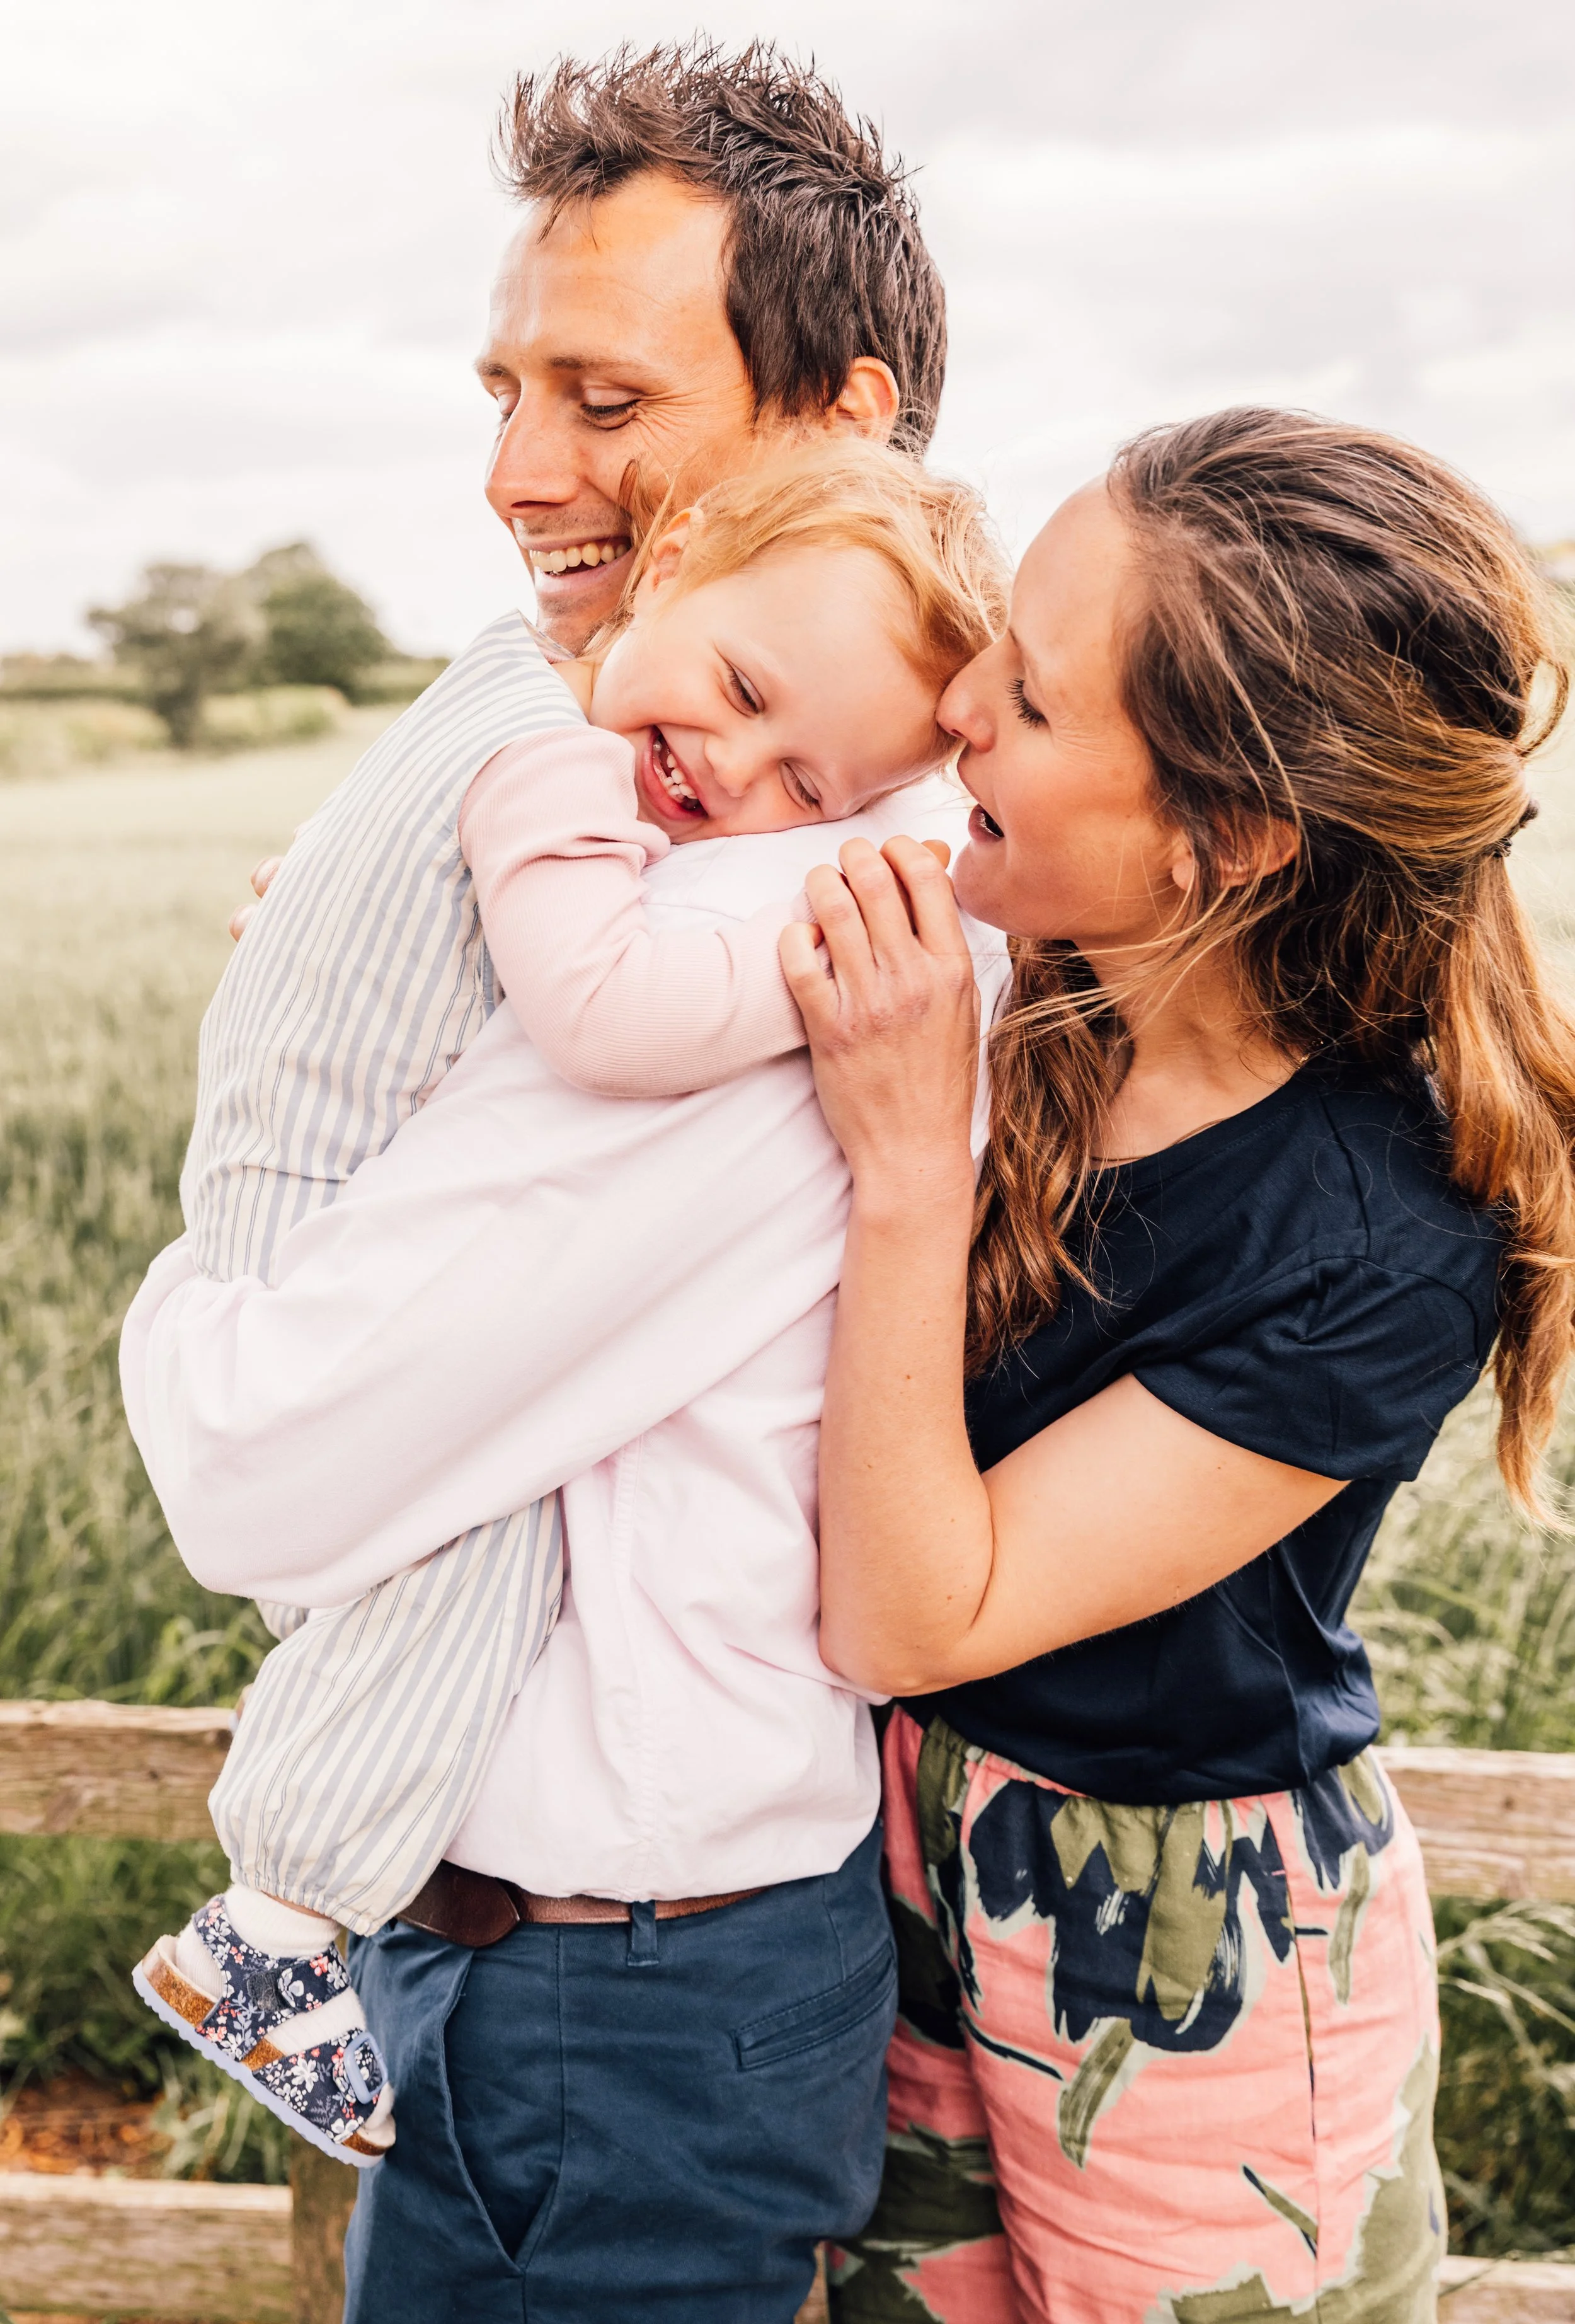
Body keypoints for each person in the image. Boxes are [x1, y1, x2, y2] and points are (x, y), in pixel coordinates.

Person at [122, 46, 995, 2315]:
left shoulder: (793, 933)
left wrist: (187, 1300)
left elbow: (255, 1470)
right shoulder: (720, 827)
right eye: (503, 388)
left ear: (844, 419)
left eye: (602, 397)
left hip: (621, 1999)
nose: (519, 472)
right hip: (548, 1964)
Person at [780, 407, 1575, 2323]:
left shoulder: (1378, 1241)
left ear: (1227, 841)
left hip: (1182, 1953)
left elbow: (914, 1608)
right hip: (889, 1858)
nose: (958, 705)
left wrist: (907, 1174)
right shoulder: (1021, 969)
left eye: (1035, 701)